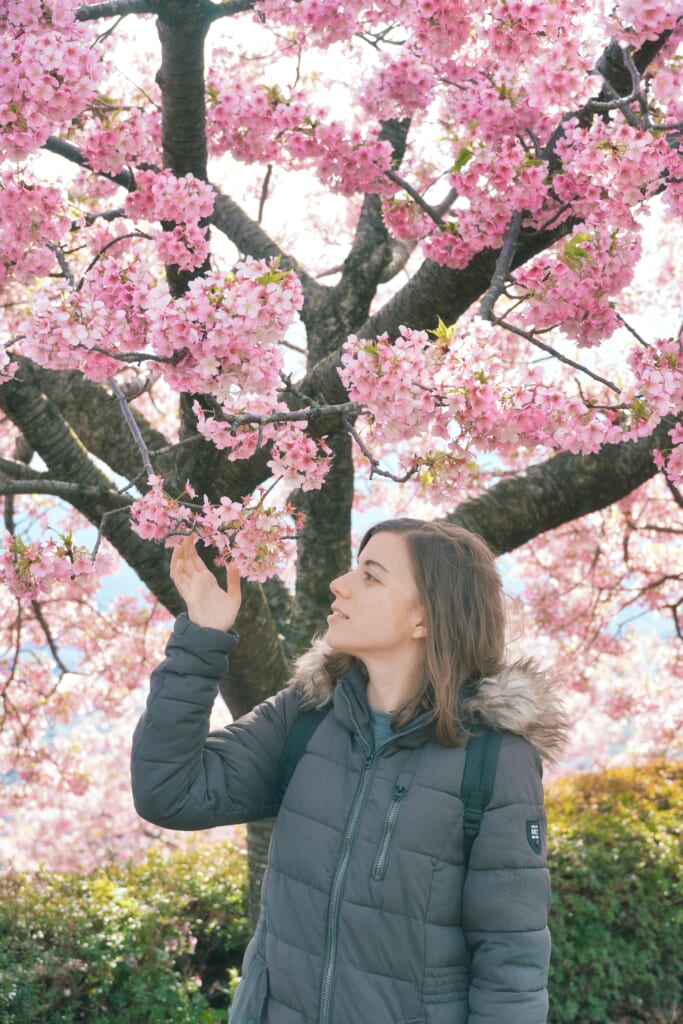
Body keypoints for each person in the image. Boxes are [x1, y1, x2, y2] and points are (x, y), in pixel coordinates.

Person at [131, 518, 568, 1024]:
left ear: (424, 618)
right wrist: (202, 638)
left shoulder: (494, 757)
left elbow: (510, 967)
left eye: (371, 576)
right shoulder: (307, 715)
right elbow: (168, 792)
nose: (339, 584)